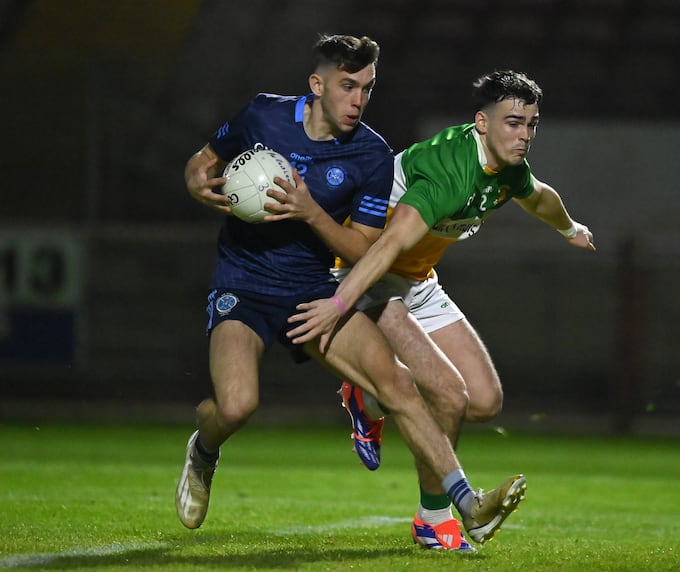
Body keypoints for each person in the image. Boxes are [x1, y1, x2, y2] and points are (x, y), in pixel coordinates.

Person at [175, 35, 527, 547]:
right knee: (235, 407)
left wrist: (310, 212)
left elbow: (364, 249)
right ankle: (203, 452)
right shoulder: (263, 116)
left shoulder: (372, 153)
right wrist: (193, 179)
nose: (358, 99)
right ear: (317, 85)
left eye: (367, 87)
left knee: (402, 388)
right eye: (347, 86)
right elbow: (204, 158)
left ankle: (468, 505)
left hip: (313, 291)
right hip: (244, 281)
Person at [287, 69, 594, 550]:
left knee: (484, 402)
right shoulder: (448, 172)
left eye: (532, 124)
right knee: (449, 397)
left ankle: (365, 396)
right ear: (481, 123)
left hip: (417, 281)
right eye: (513, 122)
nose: (525, 135)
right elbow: (385, 248)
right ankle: (433, 518)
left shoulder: (507, 168)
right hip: (362, 269)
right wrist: (339, 305)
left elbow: (539, 198)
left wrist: (569, 228)